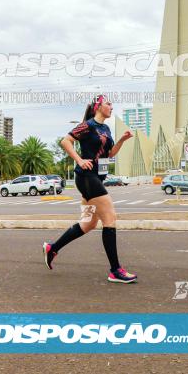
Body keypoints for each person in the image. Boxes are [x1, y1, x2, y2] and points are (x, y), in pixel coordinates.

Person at [42, 95, 136, 283]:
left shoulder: (106, 129)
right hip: (87, 178)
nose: (111, 106)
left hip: (96, 179)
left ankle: (53, 248)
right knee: (110, 218)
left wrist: (122, 140)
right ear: (98, 107)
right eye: (108, 103)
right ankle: (115, 270)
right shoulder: (88, 125)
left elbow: (109, 154)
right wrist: (79, 160)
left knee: (89, 224)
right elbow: (65, 141)